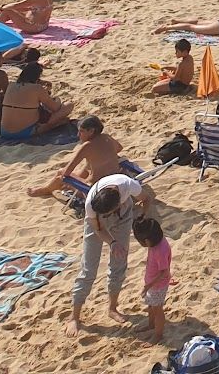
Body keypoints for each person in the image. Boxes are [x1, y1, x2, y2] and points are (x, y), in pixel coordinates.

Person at [67, 172, 152, 335]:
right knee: (88, 269)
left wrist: (141, 216)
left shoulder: (128, 185)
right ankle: (74, 317)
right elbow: (99, 228)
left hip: (123, 217)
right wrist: (112, 243)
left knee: (119, 264)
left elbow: (147, 198)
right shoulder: (92, 206)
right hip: (96, 222)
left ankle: (112, 308)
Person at [27, 114, 127, 198]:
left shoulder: (87, 146)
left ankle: (45, 190)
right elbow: (119, 148)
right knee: (88, 166)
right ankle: (49, 188)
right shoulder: (107, 137)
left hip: (94, 190)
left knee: (60, 173)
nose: (78, 135)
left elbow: (66, 172)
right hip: (114, 184)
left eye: (81, 131)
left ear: (91, 131)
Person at [0, 59, 73, 140]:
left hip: (4, 132)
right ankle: (51, 125)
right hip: (25, 132)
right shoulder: (37, 88)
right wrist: (58, 99)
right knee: (69, 105)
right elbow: (55, 108)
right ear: (37, 76)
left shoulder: (11, 85)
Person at [134, 216, 172, 343]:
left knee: (157, 310)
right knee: (151, 306)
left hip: (157, 285)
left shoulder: (159, 250)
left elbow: (164, 272)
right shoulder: (158, 242)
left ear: (147, 241)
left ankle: (158, 334)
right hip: (152, 284)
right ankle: (151, 324)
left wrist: (148, 285)